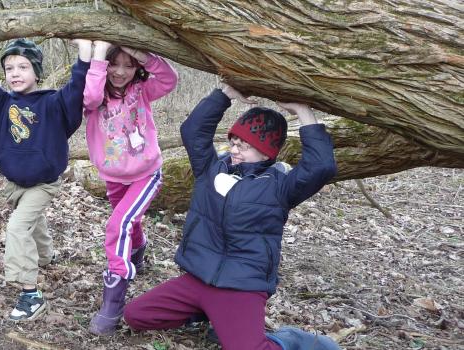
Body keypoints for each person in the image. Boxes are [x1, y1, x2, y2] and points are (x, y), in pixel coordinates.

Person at [123, 84, 340, 349]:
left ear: (266, 152)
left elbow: (321, 166)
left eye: (245, 146)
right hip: (197, 277)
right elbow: (192, 131)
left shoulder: (280, 186)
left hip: (241, 285)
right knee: (136, 315)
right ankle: (209, 313)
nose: (235, 150)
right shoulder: (211, 169)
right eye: (234, 142)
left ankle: (289, 340)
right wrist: (224, 95)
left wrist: (304, 112)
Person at [0, 34, 91, 321]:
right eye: (9, 68)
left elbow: (78, 89)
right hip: (15, 183)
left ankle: (30, 294)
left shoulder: (54, 104)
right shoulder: (1, 105)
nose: (15, 73)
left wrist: (84, 56)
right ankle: (45, 256)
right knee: (32, 221)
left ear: (37, 71)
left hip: (43, 182)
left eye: (23, 67)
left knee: (18, 227)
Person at [81, 40, 178, 335]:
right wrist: (99, 56)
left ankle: (113, 303)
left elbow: (169, 79)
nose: (121, 71)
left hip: (146, 173)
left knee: (119, 223)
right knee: (128, 222)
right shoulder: (94, 99)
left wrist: (139, 53)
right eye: (115, 63)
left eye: (129, 65)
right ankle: (138, 249)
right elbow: (90, 96)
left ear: (137, 68)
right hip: (113, 176)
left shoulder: (143, 92)